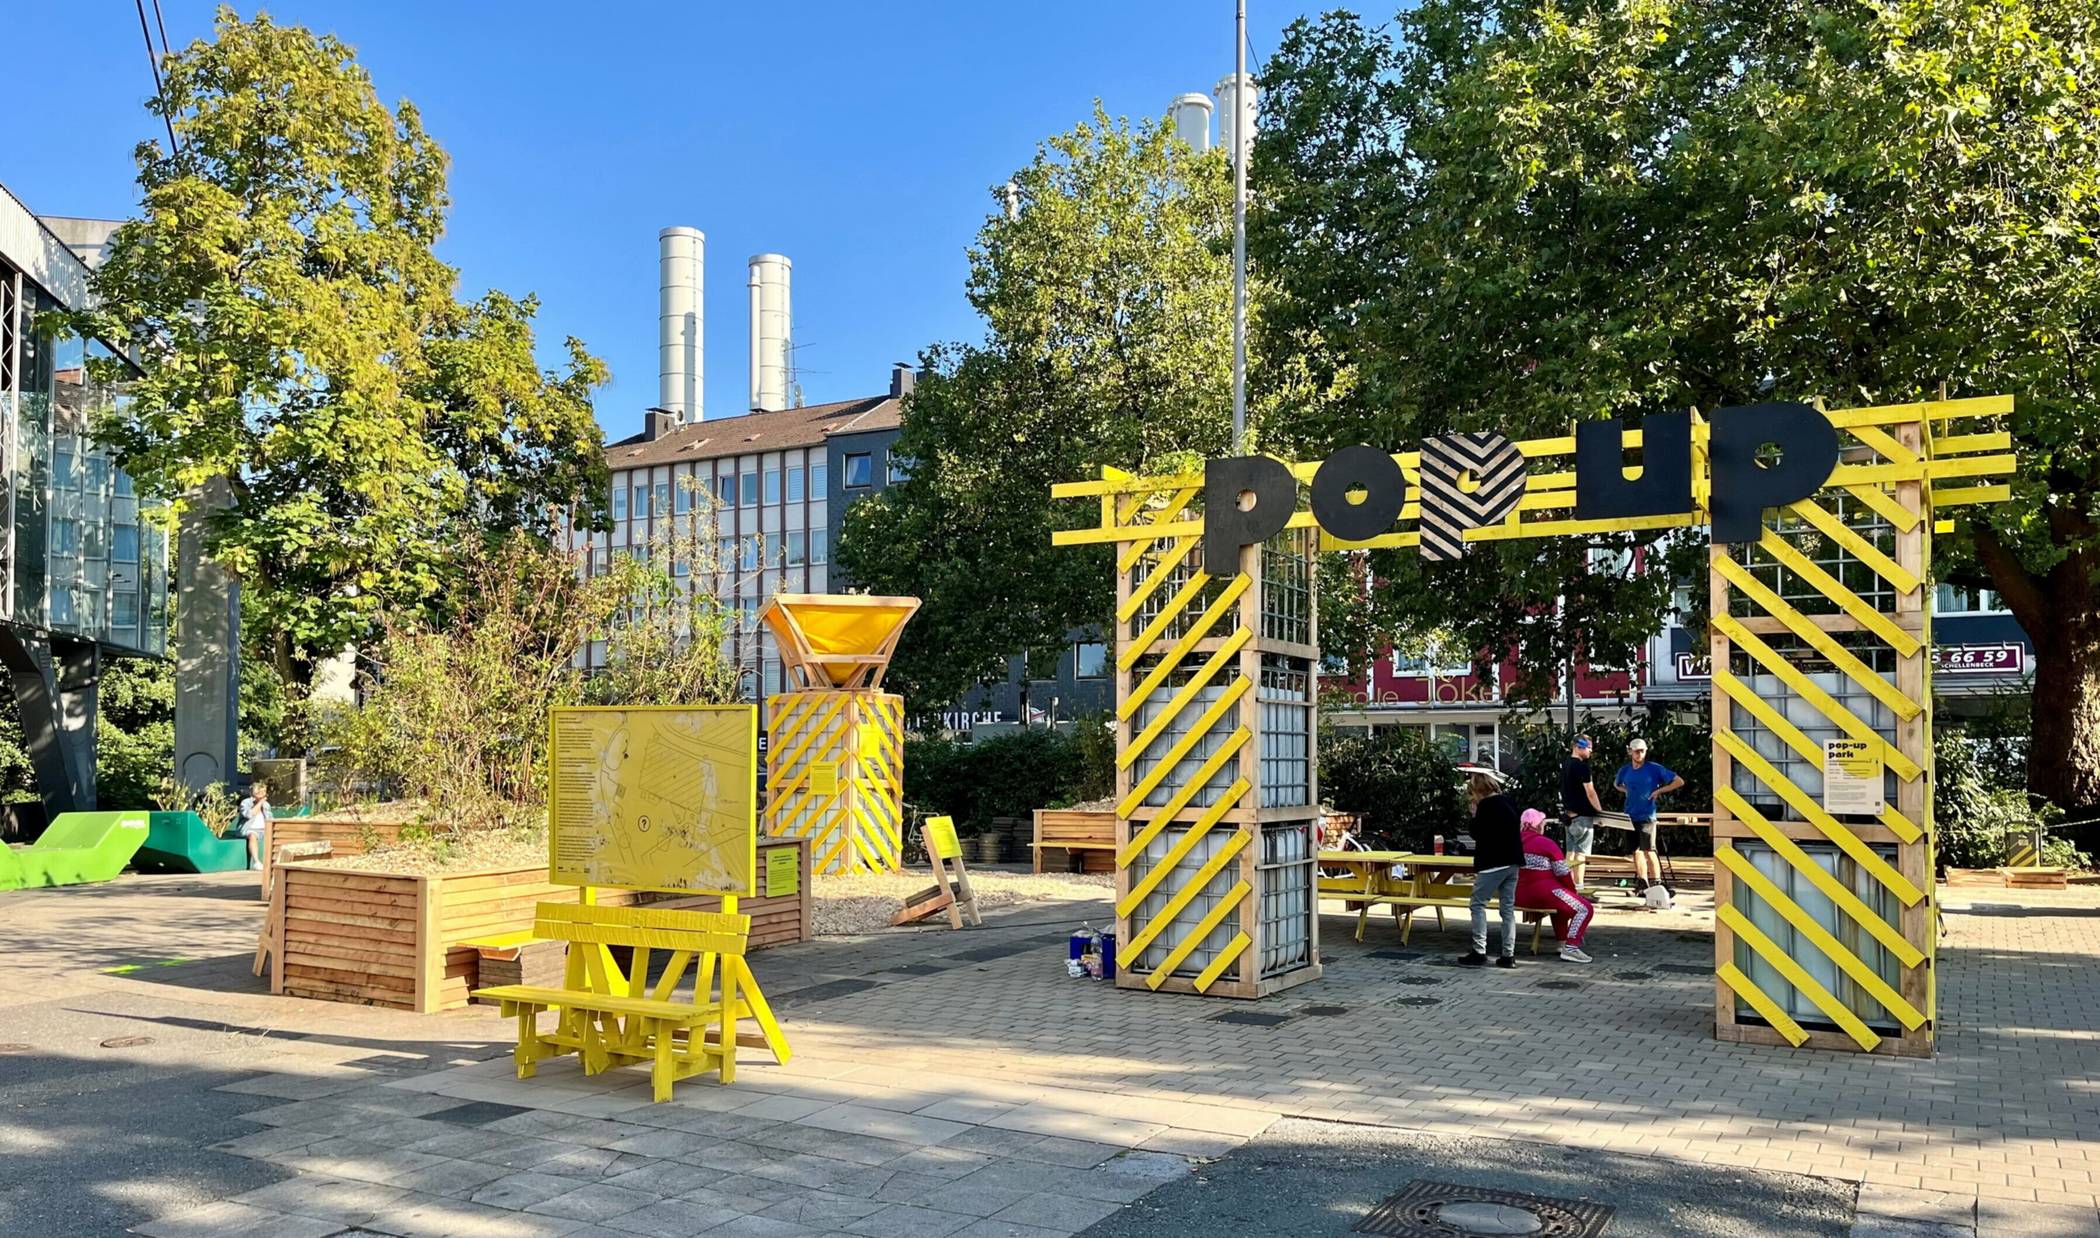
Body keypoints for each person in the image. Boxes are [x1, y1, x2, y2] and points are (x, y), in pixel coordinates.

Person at [1458, 770, 1523, 968]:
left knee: (1477, 904)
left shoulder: (1486, 806)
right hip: (1513, 861)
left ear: (1478, 790)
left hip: (1492, 863)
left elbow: (1477, 832)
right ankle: (1508, 955)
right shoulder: (1509, 801)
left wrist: (1474, 814)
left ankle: (1479, 950)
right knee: (1507, 909)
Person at [1518, 808, 1596, 964]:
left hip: (1517, 895)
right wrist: (1573, 892)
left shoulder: (1510, 841)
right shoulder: (1546, 844)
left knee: (1561, 905)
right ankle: (1571, 947)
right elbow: (1562, 872)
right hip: (1543, 892)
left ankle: (1562, 942)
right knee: (1585, 908)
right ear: (1539, 825)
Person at [1613, 738, 1684, 903]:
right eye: (1636, 751)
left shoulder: (1654, 769)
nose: (1639, 754)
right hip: (1630, 815)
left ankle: (1656, 882)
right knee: (1635, 851)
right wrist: (1627, 791)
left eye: (1642, 751)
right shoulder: (1625, 770)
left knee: (1649, 850)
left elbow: (1679, 781)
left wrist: (1659, 791)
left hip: (1647, 816)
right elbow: (1616, 784)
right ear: (1629, 751)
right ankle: (1642, 883)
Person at [1558, 735, 1604, 889]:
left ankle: (1566, 884)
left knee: (1570, 852)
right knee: (1581, 853)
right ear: (1579, 746)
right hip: (1582, 816)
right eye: (1588, 746)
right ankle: (1578, 885)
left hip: (1569, 816)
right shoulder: (1582, 766)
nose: (1591, 750)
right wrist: (1600, 812)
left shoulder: (1566, 765)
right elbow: (1590, 792)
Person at [237, 781, 274, 872]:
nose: (261, 795)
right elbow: (249, 815)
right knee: (253, 835)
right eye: (258, 793)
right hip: (248, 829)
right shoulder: (245, 803)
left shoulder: (266, 805)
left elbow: (270, 818)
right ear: (252, 793)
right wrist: (260, 803)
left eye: (263, 792)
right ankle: (256, 862)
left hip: (263, 830)